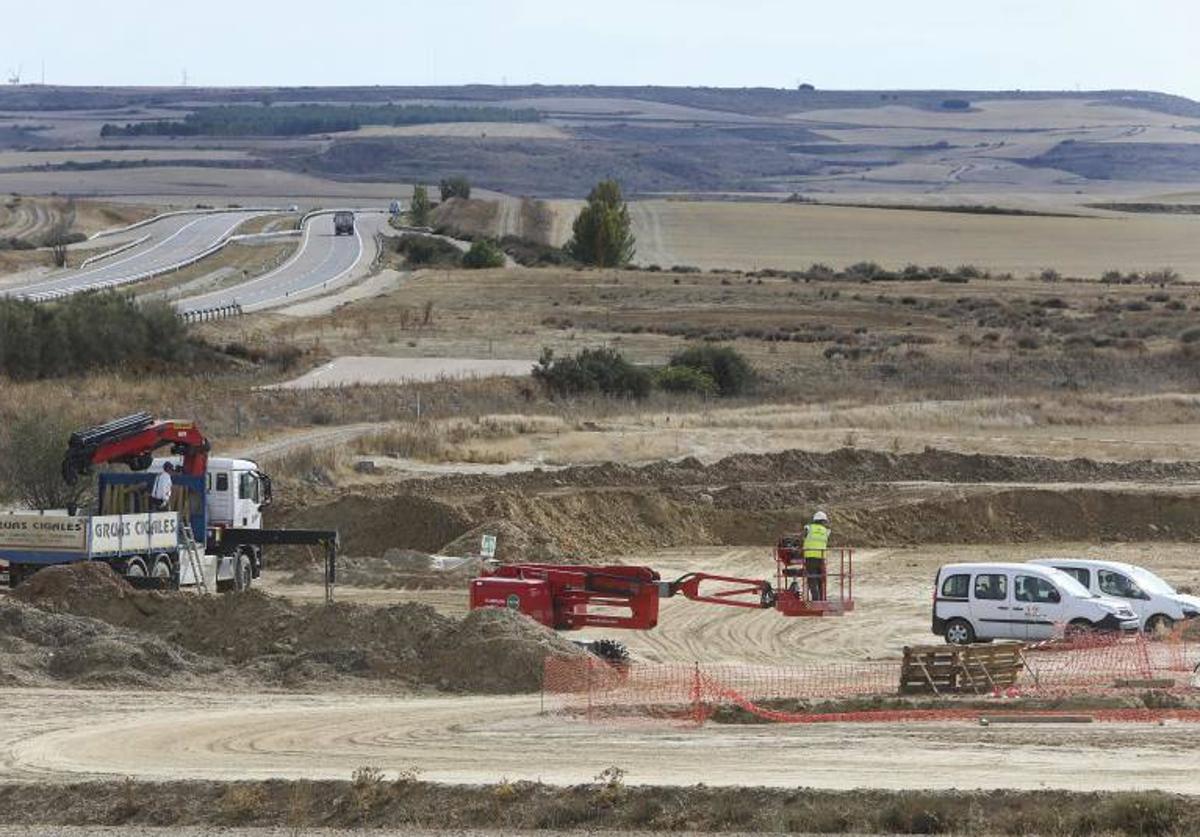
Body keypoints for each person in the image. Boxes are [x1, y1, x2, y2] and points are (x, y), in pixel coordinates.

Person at [802, 510, 830, 601]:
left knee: (811, 578)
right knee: (820, 578)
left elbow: (802, 537)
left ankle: (815, 600)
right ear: (823, 521)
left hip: (810, 557)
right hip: (821, 558)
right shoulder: (826, 531)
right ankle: (822, 599)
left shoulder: (809, 528)